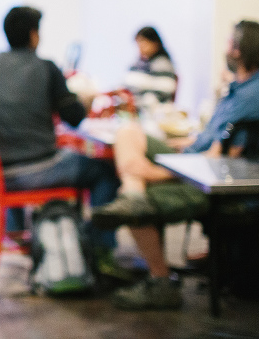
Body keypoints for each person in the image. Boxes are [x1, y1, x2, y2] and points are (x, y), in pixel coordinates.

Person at [93, 19, 259, 310]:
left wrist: (158, 171)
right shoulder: (237, 89)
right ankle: (135, 192)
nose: (224, 49)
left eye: (228, 43)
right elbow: (211, 141)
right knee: (128, 131)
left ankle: (160, 281)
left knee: (138, 192)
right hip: (193, 158)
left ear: (238, 51)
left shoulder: (251, 95)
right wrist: (185, 144)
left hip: (210, 178)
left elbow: (222, 159)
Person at [0, 6, 121, 268]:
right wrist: (85, 99)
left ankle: (16, 231)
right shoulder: (46, 67)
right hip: (36, 169)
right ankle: (99, 251)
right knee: (105, 172)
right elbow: (73, 117)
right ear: (33, 35)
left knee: (20, 140)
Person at [124, 26, 177, 107]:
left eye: (143, 43)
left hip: (153, 112)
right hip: (132, 109)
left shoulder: (162, 64)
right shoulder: (138, 63)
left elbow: (161, 93)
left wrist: (136, 104)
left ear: (155, 43)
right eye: (138, 44)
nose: (140, 48)